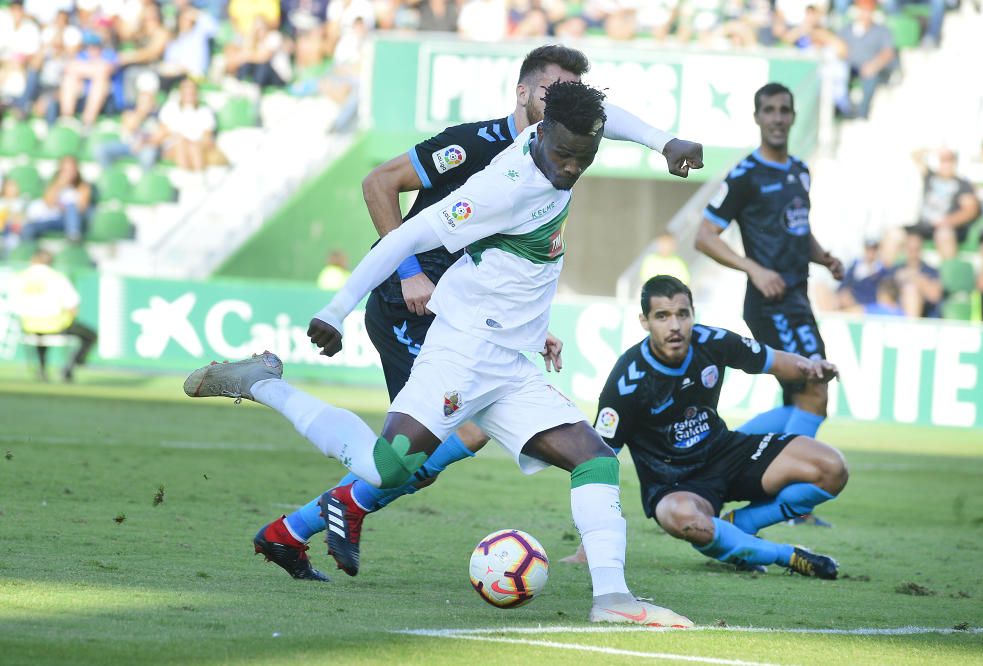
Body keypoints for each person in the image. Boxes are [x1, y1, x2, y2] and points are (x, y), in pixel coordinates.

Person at [186, 80, 695, 628]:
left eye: (584, 157)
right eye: (564, 154)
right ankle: (262, 382)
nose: (572, 168)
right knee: (385, 469)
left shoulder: (563, 137)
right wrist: (335, 311)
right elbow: (408, 236)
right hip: (465, 350)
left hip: (510, 363)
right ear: (541, 132)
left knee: (594, 458)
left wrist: (662, 142)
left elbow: (601, 115)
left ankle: (613, 600)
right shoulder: (504, 186)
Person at [586, 275, 846, 576]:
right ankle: (787, 556)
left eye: (683, 314)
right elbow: (600, 459)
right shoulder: (627, 380)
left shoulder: (711, 341)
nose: (675, 326)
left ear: (692, 315)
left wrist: (812, 367)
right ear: (644, 321)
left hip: (725, 452)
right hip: (674, 484)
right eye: (662, 316)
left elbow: (773, 360)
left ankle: (741, 526)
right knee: (688, 521)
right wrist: (593, 539)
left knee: (832, 468)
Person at [695, 82, 843, 445]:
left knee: (807, 395)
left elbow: (797, 229)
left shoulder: (799, 171)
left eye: (784, 110)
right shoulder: (745, 175)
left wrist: (823, 257)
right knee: (814, 391)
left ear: (793, 117)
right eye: (769, 111)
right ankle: (735, 463)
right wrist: (755, 269)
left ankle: (731, 461)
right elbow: (704, 236)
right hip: (769, 304)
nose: (777, 118)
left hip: (798, 298)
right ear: (757, 118)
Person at [8, 249, 97, 382]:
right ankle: (71, 366)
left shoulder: (20, 277)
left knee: (40, 335)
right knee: (91, 335)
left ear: (32, 260)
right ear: (51, 262)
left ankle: (42, 370)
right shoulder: (57, 277)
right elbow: (72, 305)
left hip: (28, 326)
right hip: (56, 325)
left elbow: (12, 304)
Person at [909, 148, 981, 259]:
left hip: (949, 227)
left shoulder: (963, 184)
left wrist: (946, 221)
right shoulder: (930, 176)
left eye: (949, 160)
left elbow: (970, 211)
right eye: (943, 160)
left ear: (955, 163)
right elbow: (915, 156)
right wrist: (933, 149)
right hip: (924, 226)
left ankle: (950, 274)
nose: (946, 164)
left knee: (944, 234)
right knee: (897, 235)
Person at [836, 0, 895, 120]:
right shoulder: (846, 29)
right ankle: (841, 110)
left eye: (868, 10)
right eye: (862, 9)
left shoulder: (882, 31)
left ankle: (862, 113)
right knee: (838, 72)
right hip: (850, 67)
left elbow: (888, 53)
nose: (865, 13)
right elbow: (838, 47)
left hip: (872, 68)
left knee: (871, 76)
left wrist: (874, 65)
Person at [20, 155, 94, 243]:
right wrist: (60, 185)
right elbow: (48, 203)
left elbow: (82, 208)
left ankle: (73, 236)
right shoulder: (55, 184)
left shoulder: (83, 186)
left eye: (72, 169)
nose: (69, 173)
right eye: (66, 170)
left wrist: (66, 208)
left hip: (71, 220)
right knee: (29, 228)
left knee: (71, 207)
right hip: (54, 218)